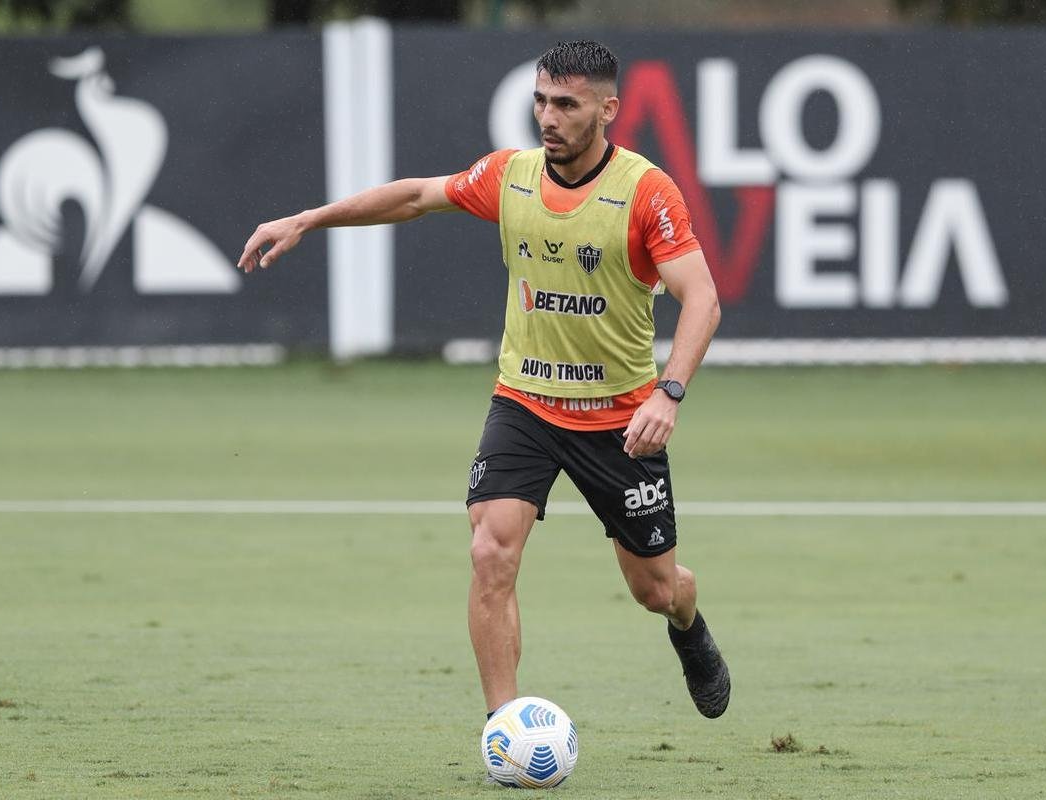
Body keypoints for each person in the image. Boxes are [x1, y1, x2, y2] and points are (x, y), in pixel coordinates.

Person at [237, 40, 729, 720]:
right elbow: (415, 196)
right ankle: (505, 727)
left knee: (654, 588)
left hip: (618, 419)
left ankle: (688, 621)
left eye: (566, 104)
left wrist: (668, 393)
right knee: (490, 549)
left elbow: (702, 299)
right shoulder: (512, 176)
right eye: (540, 100)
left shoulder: (646, 192)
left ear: (608, 109)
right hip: (524, 402)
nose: (547, 117)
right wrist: (307, 219)